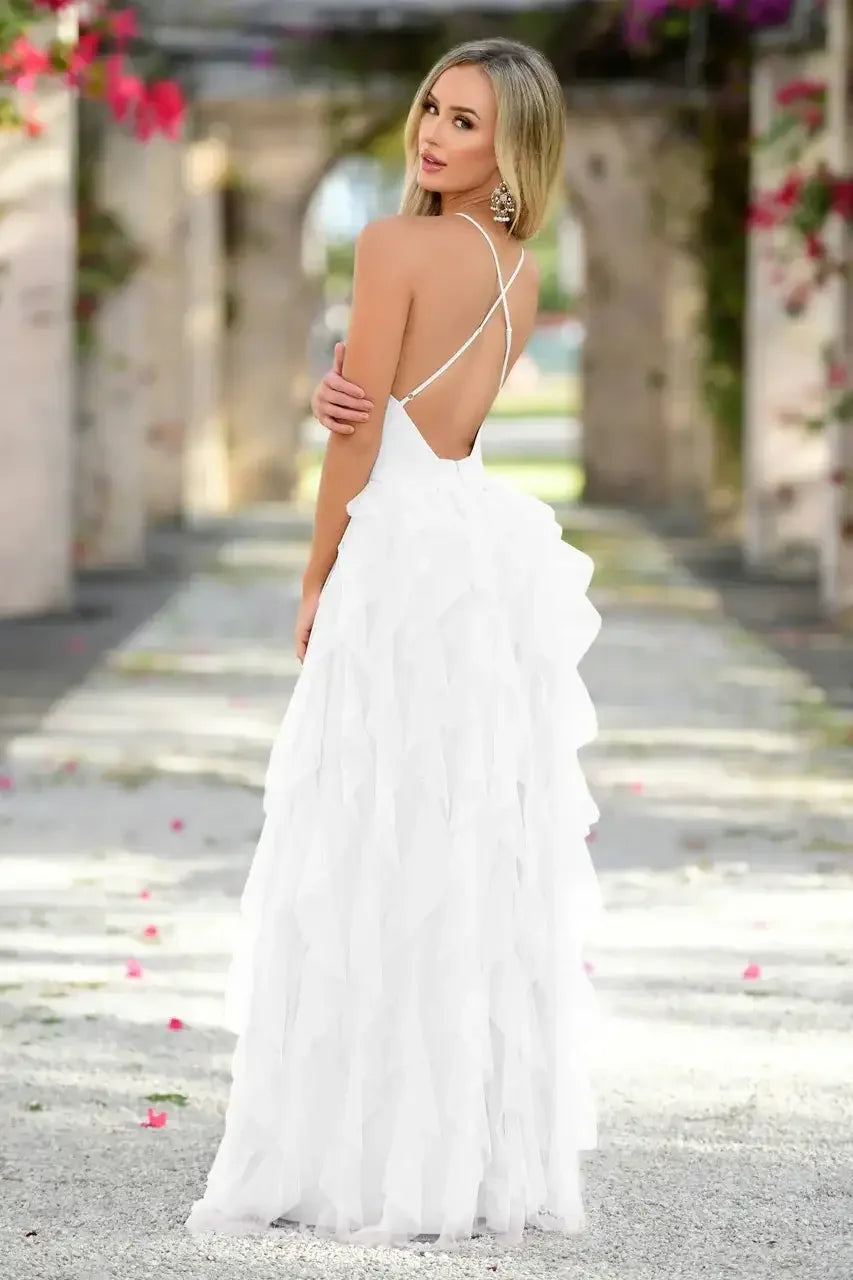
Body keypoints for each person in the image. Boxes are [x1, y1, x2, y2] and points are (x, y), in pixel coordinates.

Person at [186, 36, 602, 1252]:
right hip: (473, 557)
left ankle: (350, 1154)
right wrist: (353, 397)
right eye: (431, 107)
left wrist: (316, 572)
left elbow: (360, 439)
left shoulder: (390, 246)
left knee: (360, 837)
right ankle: (452, 1155)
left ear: (510, 146)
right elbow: (431, 416)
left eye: (467, 121)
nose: (433, 132)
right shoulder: (518, 267)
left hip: (395, 555)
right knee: (455, 844)